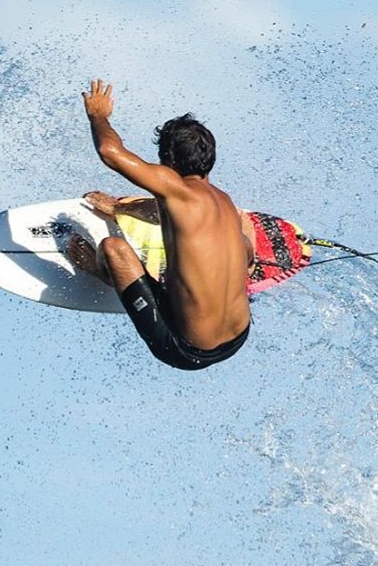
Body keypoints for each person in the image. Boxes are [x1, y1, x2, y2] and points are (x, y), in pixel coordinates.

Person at [66, 79, 253, 371]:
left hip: (186, 349)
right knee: (239, 243)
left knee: (113, 248)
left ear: (166, 162)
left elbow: (109, 152)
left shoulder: (174, 187)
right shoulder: (226, 203)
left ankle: (101, 272)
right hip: (240, 336)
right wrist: (119, 208)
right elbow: (173, 211)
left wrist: (98, 116)